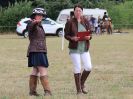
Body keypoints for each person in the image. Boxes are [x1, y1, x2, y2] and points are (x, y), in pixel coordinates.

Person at [64, 4, 92, 94]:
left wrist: (89, 37)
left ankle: (82, 83)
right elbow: (66, 35)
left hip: (84, 48)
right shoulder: (70, 22)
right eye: (76, 10)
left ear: (82, 12)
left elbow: (90, 33)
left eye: (80, 10)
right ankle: (79, 90)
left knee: (88, 67)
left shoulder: (86, 21)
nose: (78, 12)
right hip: (74, 48)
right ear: (74, 11)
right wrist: (72, 38)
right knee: (78, 68)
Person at [27, 8, 52, 96]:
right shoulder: (31, 23)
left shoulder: (39, 25)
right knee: (42, 69)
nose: (40, 17)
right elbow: (31, 26)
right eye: (38, 15)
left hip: (37, 50)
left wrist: (37, 23)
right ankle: (47, 91)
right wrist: (35, 22)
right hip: (37, 50)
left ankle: (32, 92)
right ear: (34, 16)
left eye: (41, 15)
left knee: (35, 70)